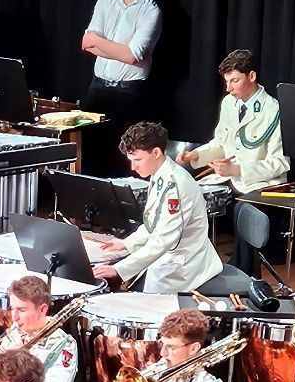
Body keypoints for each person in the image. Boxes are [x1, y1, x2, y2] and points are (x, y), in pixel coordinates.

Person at [181, 50, 291, 275]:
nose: (228, 88)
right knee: (188, 196)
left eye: (234, 81)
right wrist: (197, 155)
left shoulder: (273, 110)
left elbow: (280, 163)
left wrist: (238, 169)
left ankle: (243, 276)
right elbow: (221, 142)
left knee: (244, 210)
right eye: (227, 81)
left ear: (251, 76)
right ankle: (196, 268)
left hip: (262, 185)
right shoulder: (230, 103)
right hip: (231, 180)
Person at [90, 122, 222, 293]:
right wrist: (127, 244)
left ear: (156, 152)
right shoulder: (160, 174)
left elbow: (164, 239)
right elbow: (154, 224)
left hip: (184, 264)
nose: (133, 167)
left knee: (143, 305)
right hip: (170, 256)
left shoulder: (175, 185)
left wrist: (119, 269)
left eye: (137, 160)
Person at [79, 0, 163, 126]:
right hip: (98, 87)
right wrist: (122, 52)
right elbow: (86, 44)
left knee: (123, 147)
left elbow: (132, 56)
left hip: (128, 92)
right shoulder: (105, 0)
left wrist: (98, 41)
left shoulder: (150, 11)